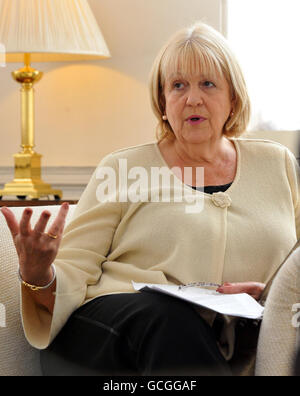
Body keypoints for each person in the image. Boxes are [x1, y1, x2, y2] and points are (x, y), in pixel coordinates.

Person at [1, 21, 300, 376]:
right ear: (162, 102)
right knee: (169, 318)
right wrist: (39, 272)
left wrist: (271, 296)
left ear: (233, 98)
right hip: (109, 334)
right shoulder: (124, 166)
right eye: (178, 86)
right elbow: (74, 268)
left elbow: (294, 270)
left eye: (207, 84)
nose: (192, 98)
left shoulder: (276, 163)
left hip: (219, 344)